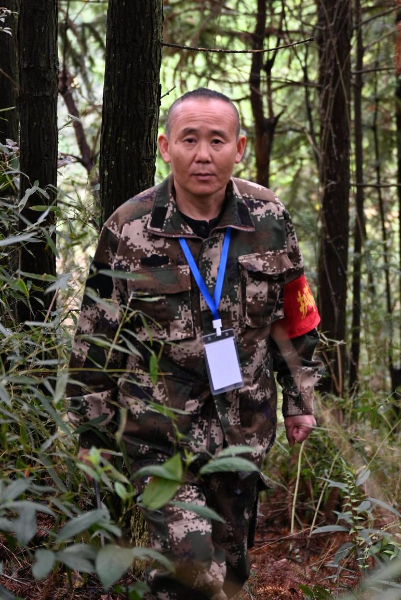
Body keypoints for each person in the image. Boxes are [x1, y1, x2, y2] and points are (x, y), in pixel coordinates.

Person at [67, 88, 323, 599]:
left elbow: (295, 316)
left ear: (239, 148)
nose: (203, 155)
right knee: (190, 570)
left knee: (231, 573)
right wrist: (92, 433)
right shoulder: (129, 227)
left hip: (244, 427)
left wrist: (300, 400)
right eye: (189, 140)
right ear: (166, 147)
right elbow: (96, 339)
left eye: (216, 140)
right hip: (157, 435)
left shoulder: (269, 216)